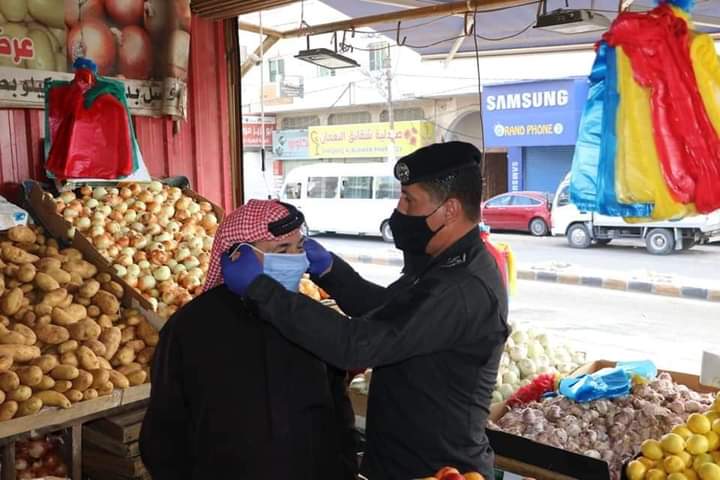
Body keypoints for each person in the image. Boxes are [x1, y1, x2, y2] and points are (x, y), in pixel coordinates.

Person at [222, 142, 510, 479]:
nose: (399, 210)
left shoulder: (462, 287)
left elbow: (358, 344)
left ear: (450, 210)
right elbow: (390, 311)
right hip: (398, 460)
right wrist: (331, 272)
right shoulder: (440, 262)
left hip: (440, 469)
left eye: (409, 200)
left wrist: (262, 290)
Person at [139, 199, 358, 480]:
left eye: (299, 248)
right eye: (281, 249)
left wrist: (344, 468)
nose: (295, 259)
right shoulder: (191, 327)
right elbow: (165, 428)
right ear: (237, 257)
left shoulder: (311, 319)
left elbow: (338, 409)